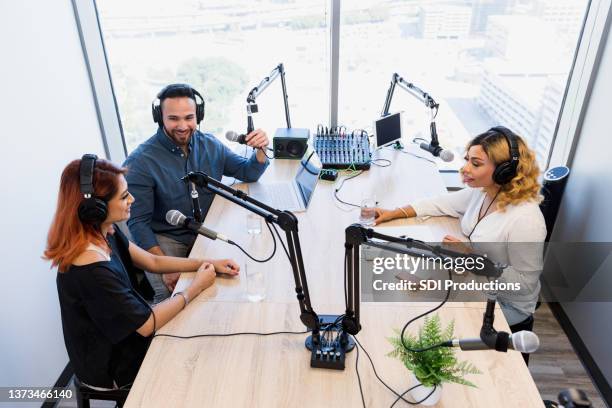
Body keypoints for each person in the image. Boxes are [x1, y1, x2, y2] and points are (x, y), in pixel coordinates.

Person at [44, 156, 240, 389]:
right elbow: (148, 324)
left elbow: (152, 261)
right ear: (95, 209)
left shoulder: (104, 231)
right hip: (112, 365)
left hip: (130, 334)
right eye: (124, 196)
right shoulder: (90, 268)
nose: (132, 200)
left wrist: (208, 263)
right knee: (200, 356)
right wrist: (194, 287)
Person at [374, 127, 546, 337]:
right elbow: (440, 203)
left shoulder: (526, 220)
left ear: (505, 171)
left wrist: (469, 258)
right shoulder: (484, 192)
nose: (465, 169)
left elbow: (524, 285)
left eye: (476, 164)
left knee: (422, 319)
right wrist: (394, 213)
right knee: (408, 298)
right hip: (478, 280)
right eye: (467, 160)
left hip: (506, 304)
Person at [124, 83, 269, 302]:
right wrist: (165, 268)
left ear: (198, 115)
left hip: (207, 231)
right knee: (172, 296)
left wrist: (260, 150)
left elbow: (247, 171)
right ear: (159, 117)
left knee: (234, 284)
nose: (182, 126)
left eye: (189, 117)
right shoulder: (140, 162)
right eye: (173, 118)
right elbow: (138, 223)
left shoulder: (210, 144)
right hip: (167, 239)